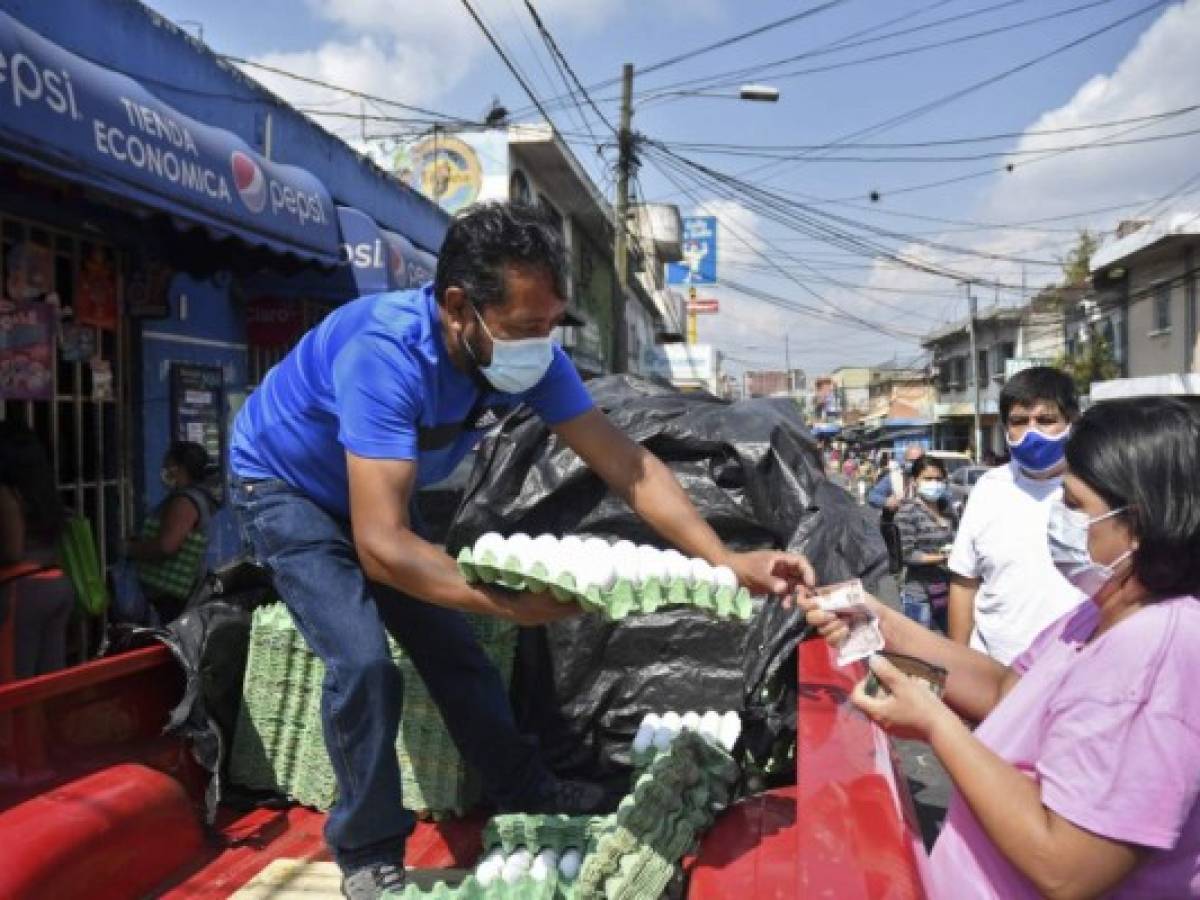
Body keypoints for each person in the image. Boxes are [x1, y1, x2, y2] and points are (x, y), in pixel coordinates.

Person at [228, 202, 815, 899]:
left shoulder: (524, 357)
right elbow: (382, 547)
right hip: (285, 487)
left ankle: (525, 788)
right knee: (361, 662)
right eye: (523, 327)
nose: (540, 344)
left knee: (454, 649)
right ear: (458, 308)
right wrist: (505, 602)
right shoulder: (385, 356)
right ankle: (367, 850)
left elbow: (626, 466)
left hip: (373, 492)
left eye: (548, 325)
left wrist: (725, 560)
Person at [800, 396, 1200, 898]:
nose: (1059, 517)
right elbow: (1005, 689)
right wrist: (879, 621)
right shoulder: (1100, 610)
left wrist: (936, 725)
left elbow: (1067, 866)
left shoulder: (1155, 656)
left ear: (1137, 525)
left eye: (1075, 505)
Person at [946, 367, 1084, 664]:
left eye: (1046, 420)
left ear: (1071, 422)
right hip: (994, 670)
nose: (1031, 433)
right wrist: (960, 665)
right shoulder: (988, 488)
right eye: (1019, 422)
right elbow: (963, 583)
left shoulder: (1096, 488)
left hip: (1075, 668)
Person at [0, 419, 74, 679]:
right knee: (48, 683)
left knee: (14, 683)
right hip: (55, 582)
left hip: (21, 591)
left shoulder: (6, 492)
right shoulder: (41, 486)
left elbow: (12, 551)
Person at [114, 441, 217, 626]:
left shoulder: (184, 501)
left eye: (168, 464)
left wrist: (130, 549)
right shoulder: (199, 496)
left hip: (172, 595)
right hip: (181, 591)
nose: (165, 469)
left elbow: (167, 546)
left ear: (180, 468)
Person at [895, 456, 957, 631]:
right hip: (919, 594)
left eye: (938, 479)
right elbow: (907, 554)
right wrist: (943, 557)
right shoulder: (908, 511)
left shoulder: (948, 509)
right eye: (928, 479)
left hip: (949, 590)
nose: (934, 483)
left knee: (950, 646)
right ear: (915, 481)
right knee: (920, 651)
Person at [867, 444, 924, 512]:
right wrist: (886, 501)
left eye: (918, 461)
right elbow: (873, 496)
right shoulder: (894, 477)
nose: (915, 464)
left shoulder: (934, 478)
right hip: (900, 518)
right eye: (911, 461)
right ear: (905, 460)